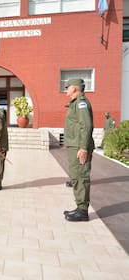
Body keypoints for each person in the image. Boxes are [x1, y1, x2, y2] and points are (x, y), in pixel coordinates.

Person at [63, 78, 94, 222]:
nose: (66, 89)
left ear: (75, 88)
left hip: (79, 146)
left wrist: (83, 148)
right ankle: (80, 206)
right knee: (76, 176)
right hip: (74, 145)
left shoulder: (81, 103)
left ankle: (82, 211)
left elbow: (85, 126)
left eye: (67, 87)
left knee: (80, 177)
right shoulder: (75, 103)